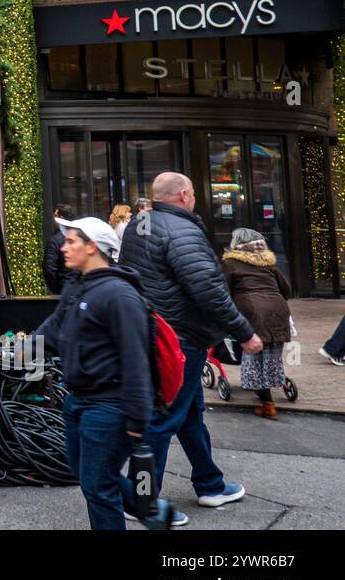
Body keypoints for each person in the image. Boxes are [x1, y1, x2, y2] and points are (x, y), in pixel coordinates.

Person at [118, 171, 259, 513]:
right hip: (180, 340)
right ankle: (142, 500)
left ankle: (210, 484)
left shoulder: (139, 225)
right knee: (163, 420)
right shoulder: (181, 230)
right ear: (183, 195)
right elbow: (208, 290)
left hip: (155, 332)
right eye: (193, 192)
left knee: (190, 413)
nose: (194, 197)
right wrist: (244, 332)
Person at [32, 217, 153, 530]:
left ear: (92, 247)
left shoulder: (120, 295)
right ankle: (153, 510)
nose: (63, 247)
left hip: (108, 406)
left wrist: (136, 418)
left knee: (98, 486)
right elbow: (55, 328)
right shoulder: (77, 285)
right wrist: (17, 351)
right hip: (79, 401)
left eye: (71, 241)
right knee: (90, 475)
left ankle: (150, 510)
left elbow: (135, 359)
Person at [221, 229, 293, 419]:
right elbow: (286, 290)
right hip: (278, 309)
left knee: (254, 357)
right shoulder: (269, 262)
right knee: (272, 356)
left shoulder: (230, 263)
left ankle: (268, 404)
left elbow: (223, 291)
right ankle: (270, 390)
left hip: (250, 311)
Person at [43, 203, 76, 293]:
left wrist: (56, 289)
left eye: (55, 216)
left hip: (62, 289)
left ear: (60, 218)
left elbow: (49, 269)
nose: (53, 219)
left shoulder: (54, 241)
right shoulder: (79, 237)